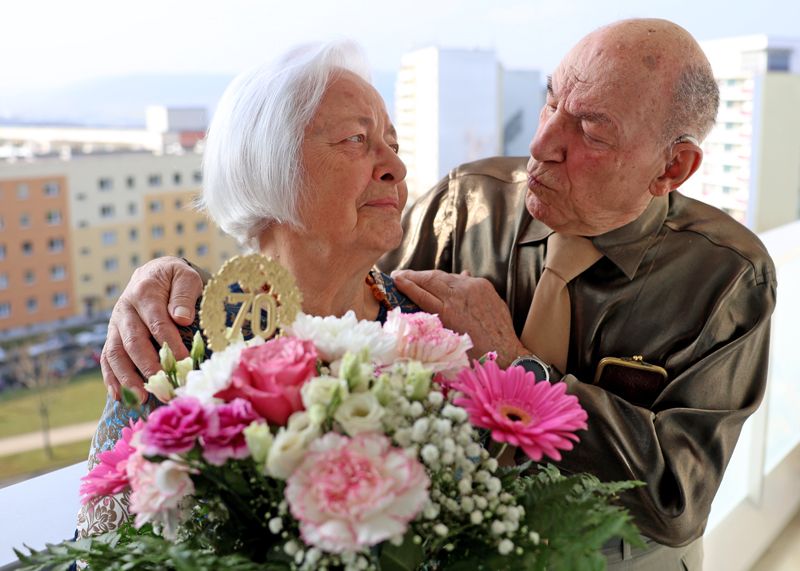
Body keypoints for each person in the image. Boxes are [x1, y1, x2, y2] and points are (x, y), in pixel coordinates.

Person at [99, 19, 776, 569]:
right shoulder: (467, 203)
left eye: (592, 130)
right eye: (548, 101)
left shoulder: (727, 279)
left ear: (673, 167)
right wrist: (160, 280)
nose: (540, 143)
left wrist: (514, 365)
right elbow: (316, 265)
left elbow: (674, 496)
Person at [77, 40, 418, 537]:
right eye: (356, 140)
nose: (395, 167)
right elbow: (105, 550)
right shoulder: (177, 342)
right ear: (269, 163)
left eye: (393, 143)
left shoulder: (426, 329)